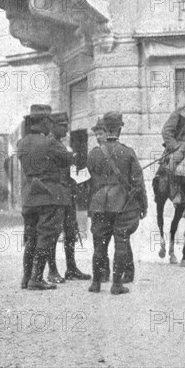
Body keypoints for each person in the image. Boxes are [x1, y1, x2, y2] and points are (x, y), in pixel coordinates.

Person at [87, 111, 148, 295]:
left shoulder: (94, 153)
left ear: (105, 128)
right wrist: (143, 205)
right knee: (121, 241)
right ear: (120, 128)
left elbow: (91, 180)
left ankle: (96, 283)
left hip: (99, 204)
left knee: (99, 244)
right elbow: (138, 182)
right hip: (122, 203)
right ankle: (116, 285)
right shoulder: (128, 152)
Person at [17, 104, 74, 290]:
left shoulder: (22, 142)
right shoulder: (50, 143)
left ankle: (26, 278)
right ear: (43, 122)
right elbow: (67, 159)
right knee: (46, 236)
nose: (51, 125)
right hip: (48, 195)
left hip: (29, 196)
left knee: (31, 237)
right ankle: (37, 278)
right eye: (49, 121)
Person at [45, 112, 91, 283]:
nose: (66, 128)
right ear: (53, 126)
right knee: (54, 233)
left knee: (71, 232)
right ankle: (53, 270)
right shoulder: (51, 143)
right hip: (56, 195)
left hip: (67, 194)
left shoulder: (59, 144)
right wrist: (73, 156)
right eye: (63, 125)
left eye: (66, 125)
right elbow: (70, 159)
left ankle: (71, 269)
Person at [91, 117, 111, 283]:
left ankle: (102, 274)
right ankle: (125, 272)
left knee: (100, 238)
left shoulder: (95, 154)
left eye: (101, 133)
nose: (98, 137)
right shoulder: (94, 153)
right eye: (96, 134)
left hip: (100, 201)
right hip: (109, 202)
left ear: (108, 133)